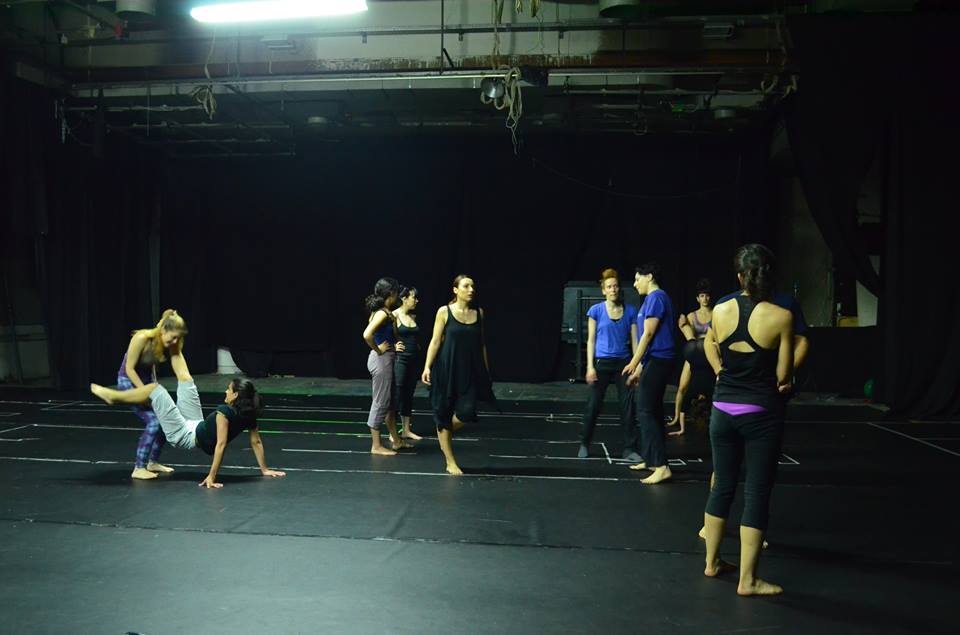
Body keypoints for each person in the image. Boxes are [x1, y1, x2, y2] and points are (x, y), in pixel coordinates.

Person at [701, 243, 793, 596]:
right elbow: (783, 375)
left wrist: (722, 372)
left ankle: (712, 562)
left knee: (722, 485)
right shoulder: (781, 316)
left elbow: (712, 346)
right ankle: (748, 580)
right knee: (756, 491)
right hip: (760, 413)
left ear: (740, 277)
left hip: (722, 410)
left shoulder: (719, 311)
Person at [90, 352, 286, 489]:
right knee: (186, 379)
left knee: (155, 389)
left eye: (228, 389)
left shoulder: (224, 412)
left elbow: (220, 445)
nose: (225, 391)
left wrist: (211, 477)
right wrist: (265, 470)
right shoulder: (248, 414)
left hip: (183, 435)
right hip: (195, 423)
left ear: (235, 395)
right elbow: (256, 442)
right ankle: (175, 346)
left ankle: (114, 396)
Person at [421, 275, 496, 475]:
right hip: (446, 368)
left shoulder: (478, 313)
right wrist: (427, 366)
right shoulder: (444, 312)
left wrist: (486, 370)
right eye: (466, 286)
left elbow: (482, 344)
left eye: (473, 286)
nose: (471, 289)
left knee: (467, 412)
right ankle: (450, 461)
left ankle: (443, 429)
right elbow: (435, 341)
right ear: (456, 290)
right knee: (444, 411)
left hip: (470, 370)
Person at [623, 263, 677, 484]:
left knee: (646, 410)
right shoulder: (649, 300)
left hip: (660, 360)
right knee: (651, 410)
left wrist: (634, 362)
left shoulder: (657, 297)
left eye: (638, 279)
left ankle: (661, 466)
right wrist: (640, 369)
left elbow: (648, 335)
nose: (635, 284)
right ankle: (652, 459)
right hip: (654, 360)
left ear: (650, 277)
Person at [119, 309, 188, 481]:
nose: (174, 342)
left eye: (178, 339)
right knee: (153, 422)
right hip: (128, 382)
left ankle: (152, 462)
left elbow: (152, 369)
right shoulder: (141, 338)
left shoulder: (160, 343)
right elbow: (129, 369)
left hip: (146, 382)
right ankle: (139, 468)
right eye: (173, 337)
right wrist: (145, 393)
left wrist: (155, 389)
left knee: (163, 421)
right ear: (163, 330)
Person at [578, 268, 638, 459]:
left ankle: (630, 449)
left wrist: (636, 365)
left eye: (616, 286)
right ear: (603, 290)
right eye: (609, 287)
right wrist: (589, 367)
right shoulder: (596, 311)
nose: (613, 289)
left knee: (628, 407)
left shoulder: (630, 311)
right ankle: (584, 443)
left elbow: (635, 341)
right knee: (593, 405)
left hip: (623, 364)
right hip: (602, 363)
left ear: (619, 289)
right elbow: (591, 341)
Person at [362, 277, 410, 456]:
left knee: (389, 403)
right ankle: (376, 446)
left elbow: (385, 334)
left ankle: (396, 441)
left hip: (386, 358)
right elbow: (367, 334)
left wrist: (393, 345)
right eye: (397, 292)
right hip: (381, 360)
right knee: (381, 402)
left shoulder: (384, 312)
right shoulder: (381, 313)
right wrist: (379, 349)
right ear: (392, 293)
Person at [393, 286, 424, 441]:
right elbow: (379, 333)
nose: (416, 300)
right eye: (414, 297)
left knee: (409, 394)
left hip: (413, 360)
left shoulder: (413, 316)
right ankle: (392, 432)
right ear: (404, 298)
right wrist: (392, 346)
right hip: (401, 360)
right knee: (397, 394)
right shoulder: (394, 315)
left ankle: (406, 430)